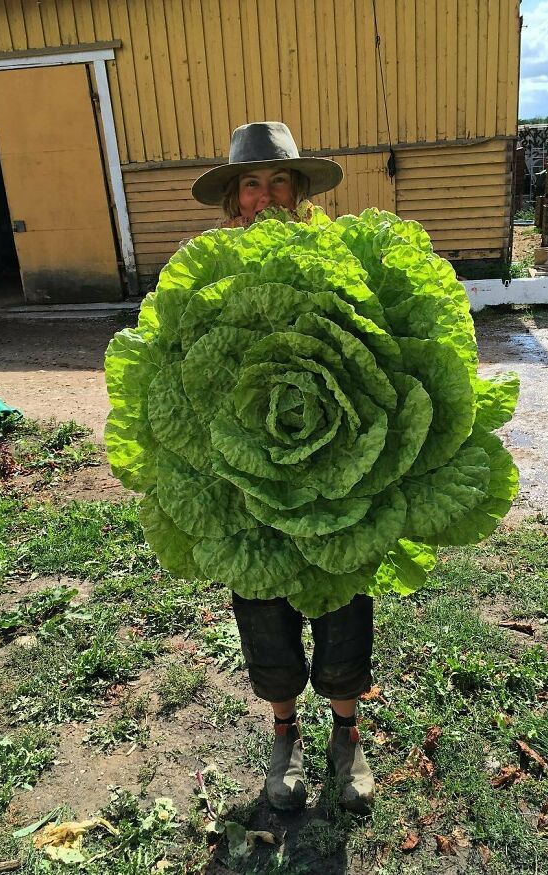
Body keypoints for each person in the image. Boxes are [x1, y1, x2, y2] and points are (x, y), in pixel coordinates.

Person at [191, 122, 376, 814]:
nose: (264, 196)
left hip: (339, 466)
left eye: (278, 181)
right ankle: (284, 733)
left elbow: (378, 351)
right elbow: (178, 373)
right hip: (243, 476)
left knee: (343, 605)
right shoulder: (205, 267)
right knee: (263, 613)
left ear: (299, 191)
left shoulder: (337, 254)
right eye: (251, 183)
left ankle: (347, 734)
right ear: (234, 197)